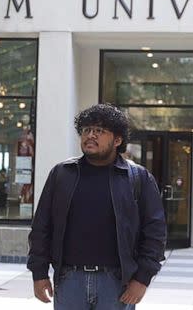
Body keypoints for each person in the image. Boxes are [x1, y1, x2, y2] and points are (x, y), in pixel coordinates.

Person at [27, 104, 167, 309]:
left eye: (99, 131)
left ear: (117, 140)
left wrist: (142, 279)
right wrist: (39, 273)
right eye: (86, 130)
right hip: (69, 280)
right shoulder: (62, 174)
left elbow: (155, 233)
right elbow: (41, 227)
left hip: (117, 283)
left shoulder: (138, 178)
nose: (90, 135)